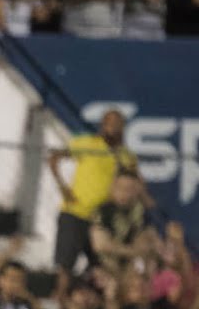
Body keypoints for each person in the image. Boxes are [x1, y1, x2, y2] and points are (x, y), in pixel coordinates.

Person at [48, 109, 136, 293]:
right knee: (65, 267)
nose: (113, 127)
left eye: (117, 124)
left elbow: (134, 183)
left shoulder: (126, 156)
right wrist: (62, 187)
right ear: (102, 125)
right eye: (109, 123)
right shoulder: (87, 143)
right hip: (75, 212)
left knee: (104, 268)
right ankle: (60, 305)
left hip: (101, 219)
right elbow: (54, 158)